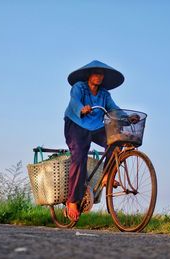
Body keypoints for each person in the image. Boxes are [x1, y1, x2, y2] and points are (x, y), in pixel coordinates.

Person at [64, 60, 125, 221]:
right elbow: (74, 101)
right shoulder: (79, 87)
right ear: (89, 75)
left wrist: (127, 117)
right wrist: (82, 109)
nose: (99, 77)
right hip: (76, 125)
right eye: (96, 73)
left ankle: (107, 176)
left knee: (117, 141)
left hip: (96, 128)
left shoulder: (105, 94)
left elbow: (114, 109)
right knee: (79, 159)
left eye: (101, 74)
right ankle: (72, 201)